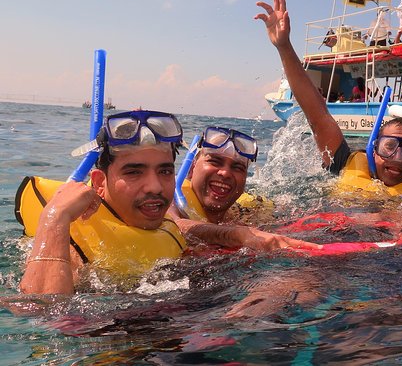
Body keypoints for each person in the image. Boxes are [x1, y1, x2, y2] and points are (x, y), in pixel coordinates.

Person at [19, 111, 318, 295]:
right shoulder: (71, 242)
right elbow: (45, 317)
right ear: (98, 183)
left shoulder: (167, 231)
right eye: (134, 172)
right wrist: (55, 218)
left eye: (164, 171)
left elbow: (181, 228)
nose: (155, 186)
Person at [255, 0, 402, 199]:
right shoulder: (346, 165)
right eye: (389, 146)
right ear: (373, 150)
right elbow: (317, 116)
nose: (398, 157)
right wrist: (284, 46)